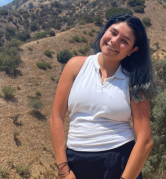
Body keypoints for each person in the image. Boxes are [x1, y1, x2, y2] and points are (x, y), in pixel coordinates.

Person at [50, 14, 158, 179]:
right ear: (105, 31)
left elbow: (145, 140)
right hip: (76, 163)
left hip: (120, 164)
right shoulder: (75, 66)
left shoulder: (135, 81)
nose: (114, 41)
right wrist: (64, 171)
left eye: (124, 41)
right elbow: (56, 117)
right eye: (113, 32)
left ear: (132, 50)